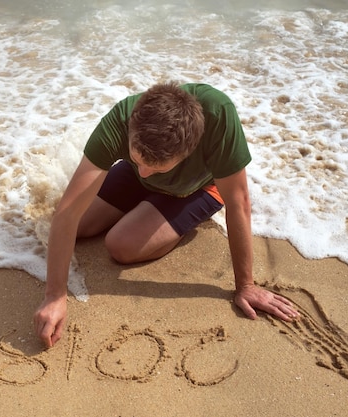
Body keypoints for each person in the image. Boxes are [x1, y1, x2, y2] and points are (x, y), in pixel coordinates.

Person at [33, 82, 300, 348]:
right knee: (74, 225)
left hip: (199, 187)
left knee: (121, 246)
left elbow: (239, 202)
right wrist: (55, 295)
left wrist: (246, 285)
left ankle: (174, 212)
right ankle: (145, 187)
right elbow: (67, 213)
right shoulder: (120, 121)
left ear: (190, 149)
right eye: (140, 160)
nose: (146, 172)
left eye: (157, 168)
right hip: (131, 174)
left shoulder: (219, 115)